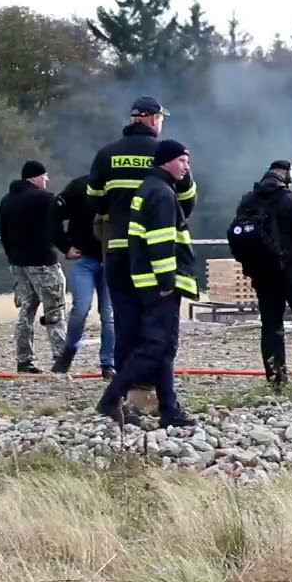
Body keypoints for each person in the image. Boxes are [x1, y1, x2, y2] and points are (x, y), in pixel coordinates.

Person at [87, 96, 196, 377]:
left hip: (118, 249)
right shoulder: (166, 154)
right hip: (155, 255)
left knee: (125, 320)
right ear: (151, 118)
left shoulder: (106, 154)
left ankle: (123, 386)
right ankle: (151, 387)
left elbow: (95, 202)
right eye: (161, 118)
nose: (161, 124)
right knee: (157, 323)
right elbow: (187, 201)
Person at [96, 140, 197, 428]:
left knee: (164, 347)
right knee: (155, 346)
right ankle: (110, 398)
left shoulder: (150, 188)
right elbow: (161, 241)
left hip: (146, 281)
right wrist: (166, 281)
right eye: (182, 160)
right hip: (160, 283)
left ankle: (169, 409)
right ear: (166, 161)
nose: (186, 166)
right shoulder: (162, 193)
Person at [228, 159, 292, 389]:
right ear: (287, 174)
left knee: (271, 327)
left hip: (262, 274)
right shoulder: (291, 199)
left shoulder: (248, 200)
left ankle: (276, 381)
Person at [0, 160, 68, 373]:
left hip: (19, 263)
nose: (47, 180)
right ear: (36, 176)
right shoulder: (45, 199)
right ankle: (60, 358)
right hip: (43, 262)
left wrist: (13, 257)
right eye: (45, 176)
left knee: (26, 311)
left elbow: (4, 234)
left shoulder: (6, 200)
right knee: (55, 310)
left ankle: (24, 360)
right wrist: (66, 247)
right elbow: (57, 225)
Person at [53, 173, 115, 379]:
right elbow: (52, 214)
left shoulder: (121, 188)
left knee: (109, 315)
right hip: (85, 259)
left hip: (111, 260)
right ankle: (68, 351)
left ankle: (108, 363)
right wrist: (65, 246)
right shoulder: (78, 187)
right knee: (81, 307)